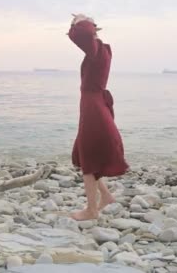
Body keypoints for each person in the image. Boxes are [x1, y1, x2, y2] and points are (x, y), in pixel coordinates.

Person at [67, 13, 129, 221]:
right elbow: (81, 35)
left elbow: (79, 35)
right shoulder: (100, 50)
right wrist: (83, 24)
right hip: (93, 105)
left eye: (78, 26)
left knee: (88, 158)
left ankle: (91, 210)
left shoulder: (95, 49)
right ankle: (106, 195)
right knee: (83, 155)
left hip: (93, 107)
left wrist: (80, 22)